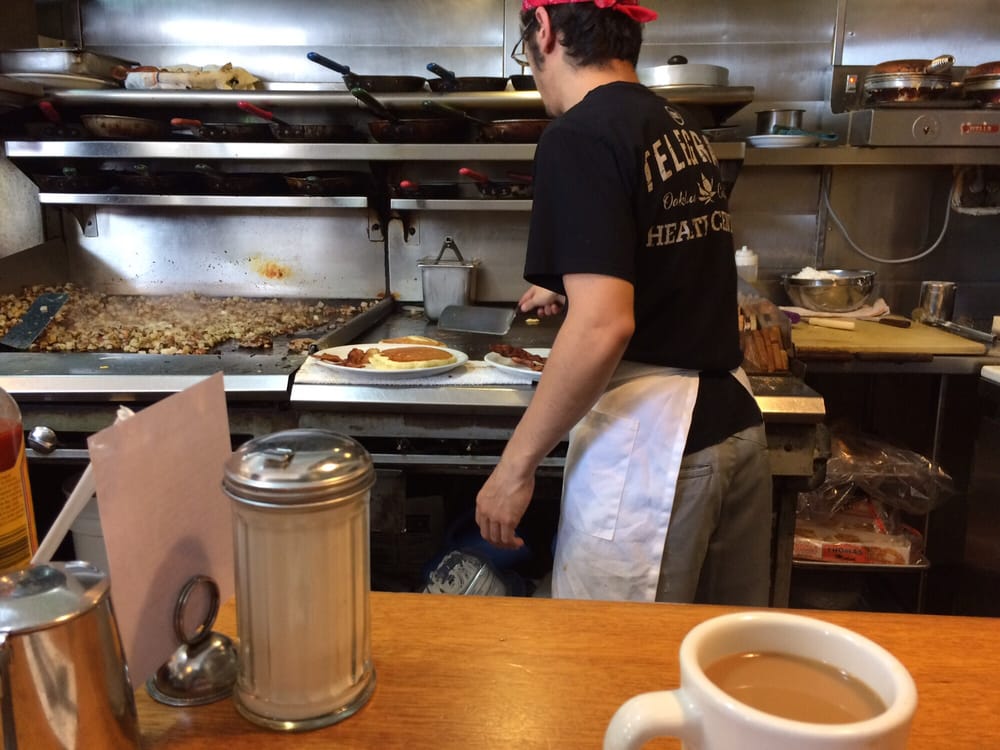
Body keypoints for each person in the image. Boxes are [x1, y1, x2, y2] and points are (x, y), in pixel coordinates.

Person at [474, 0, 772, 605]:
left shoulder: (578, 135)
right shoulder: (679, 126)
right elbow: (668, 251)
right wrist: (575, 279)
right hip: (734, 428)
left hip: (658, 450)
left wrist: (514, 468)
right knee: (711, 665)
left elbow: (604, 325)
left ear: (546, 31)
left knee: (614, 667)